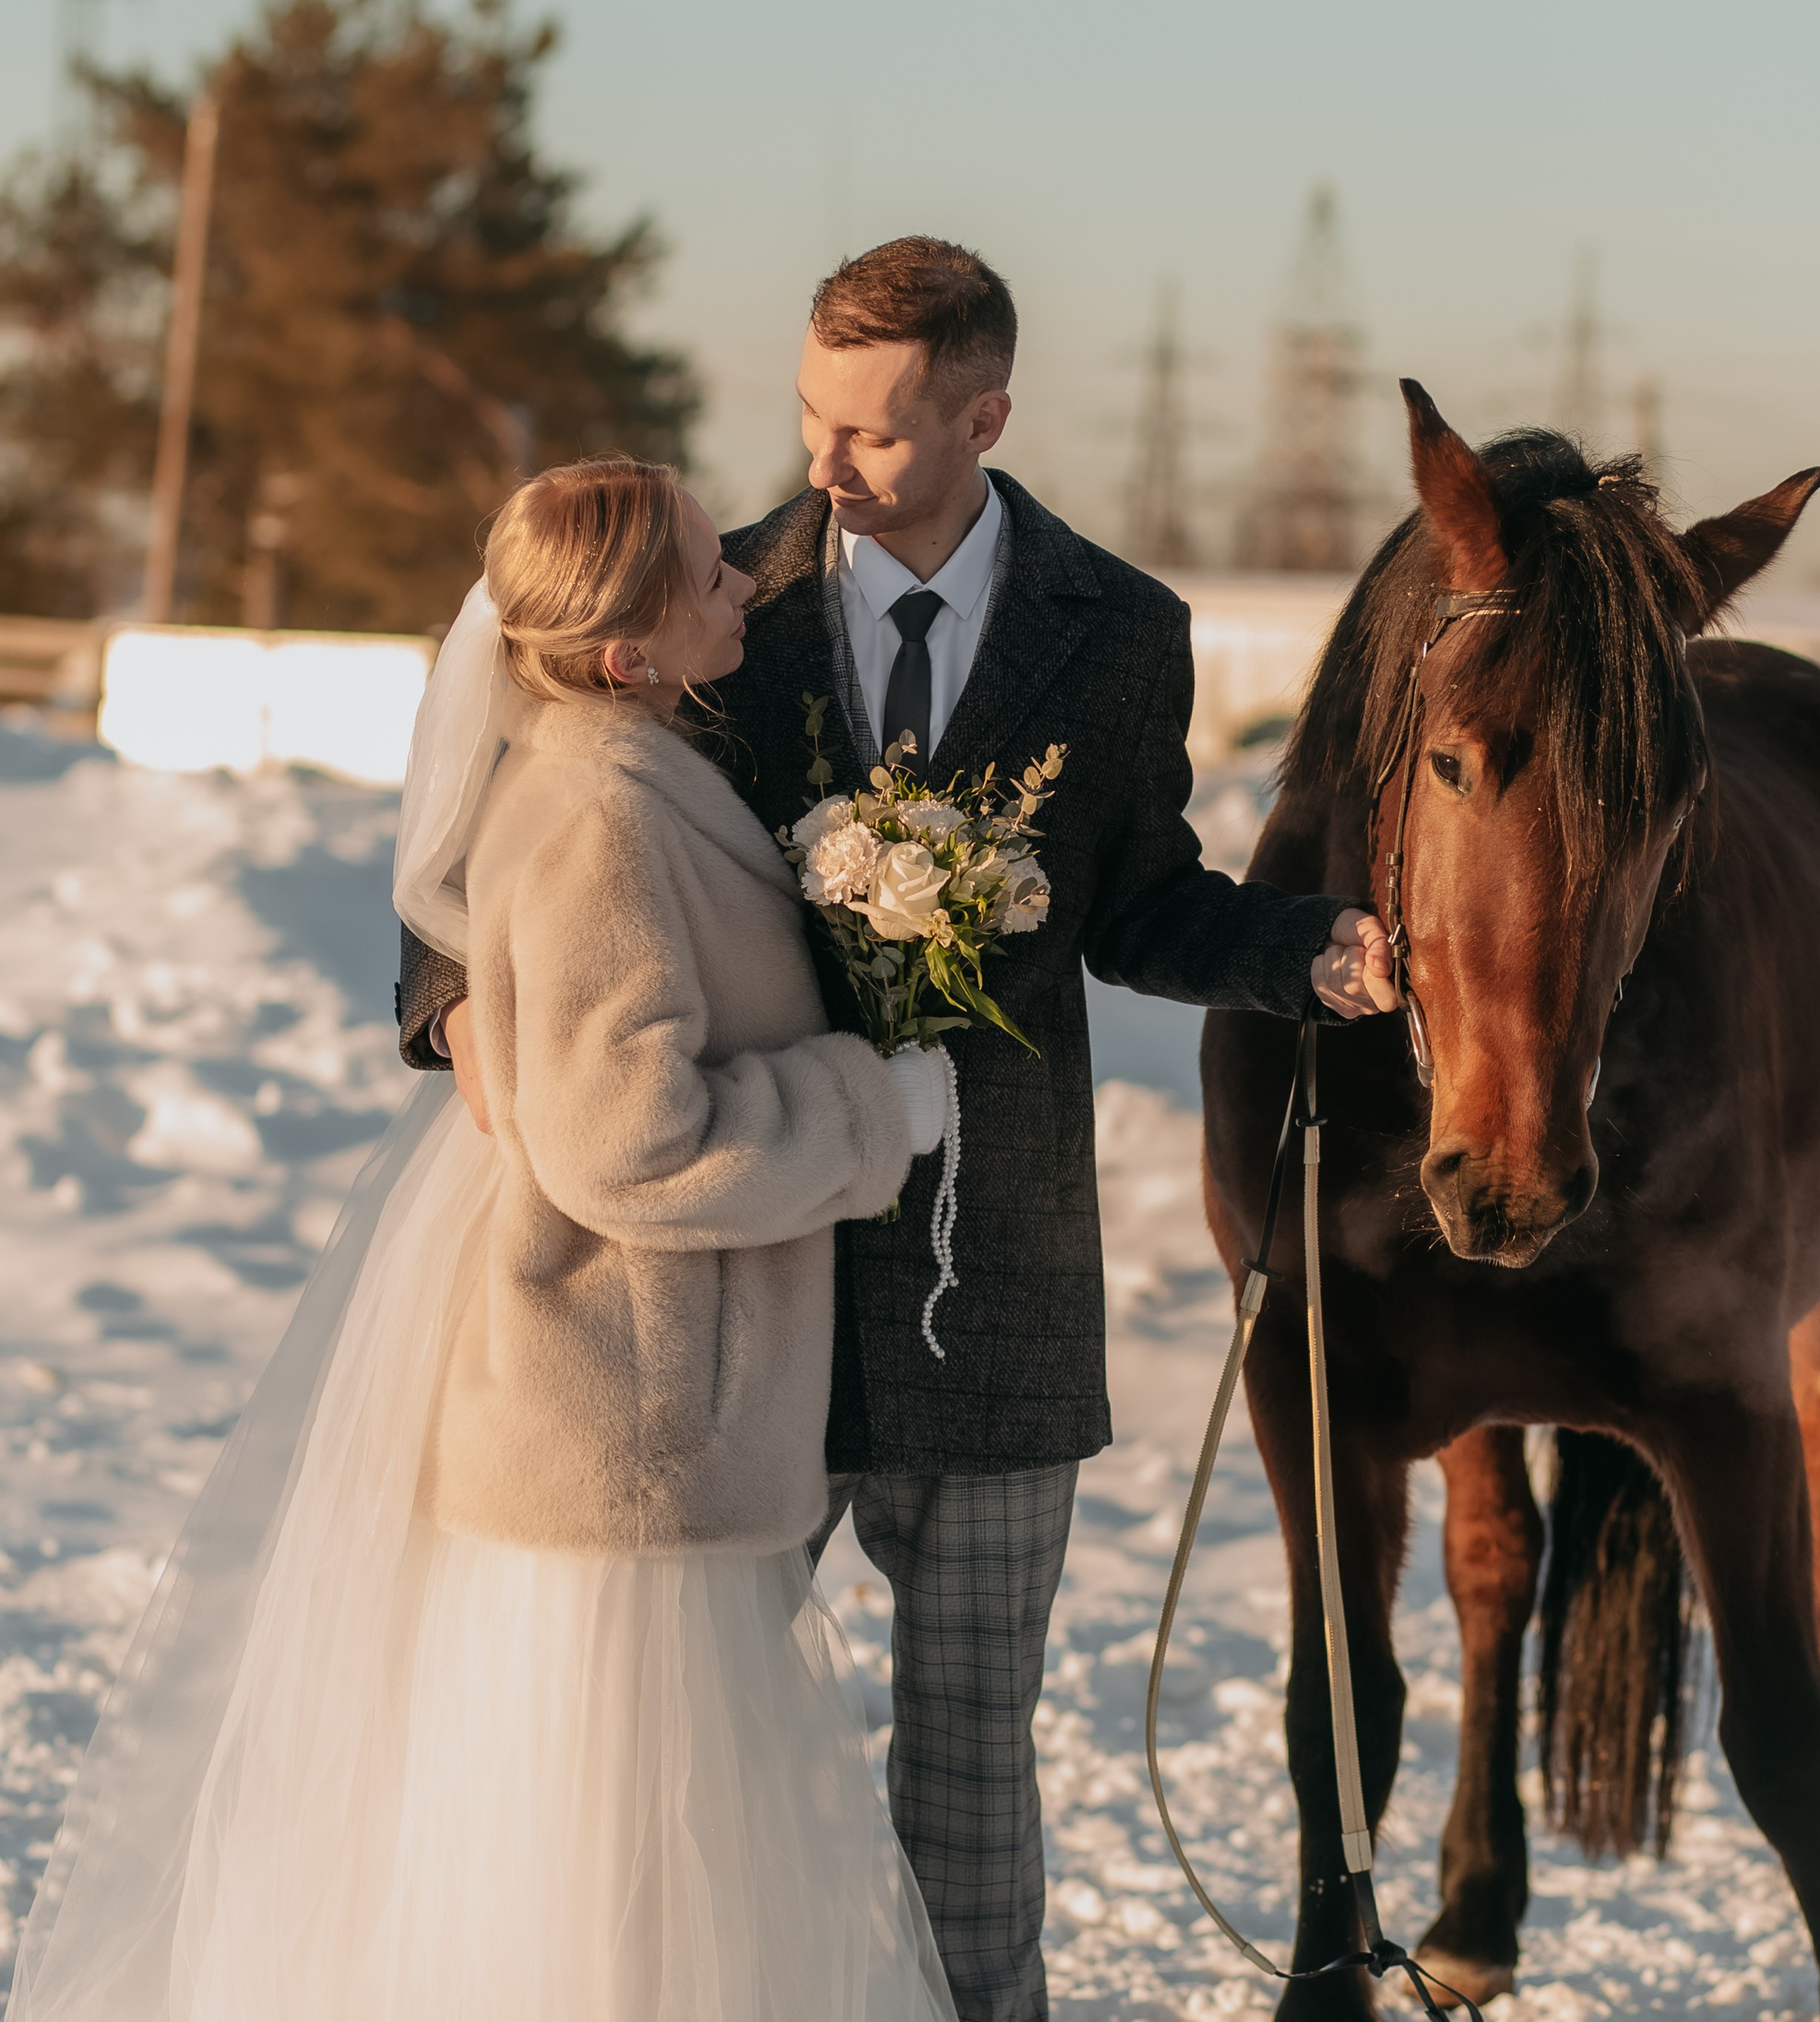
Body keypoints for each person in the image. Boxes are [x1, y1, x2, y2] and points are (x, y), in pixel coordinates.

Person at [399, 238, 1397, 2022]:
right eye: (804, 414)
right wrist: (447, 988)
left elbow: (1142, 900)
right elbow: (523, 784)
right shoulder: (715, 599)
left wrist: (1301, 949)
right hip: (721, 1298)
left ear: (981, 414)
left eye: (865, 430)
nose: (818, 465)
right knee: (670, 1768)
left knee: (968, 1779)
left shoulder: (1123, 634)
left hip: (998, 1284)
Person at [10, 457, 961, 2022]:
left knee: (623, 1862)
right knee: (611, 1870)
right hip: (624, 1412)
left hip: (642, 1409)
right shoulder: (600, 811)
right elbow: (624, 1136)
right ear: (627, 652)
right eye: (705, 574)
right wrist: (873, 1108)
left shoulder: (623, 770)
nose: (744, 580)